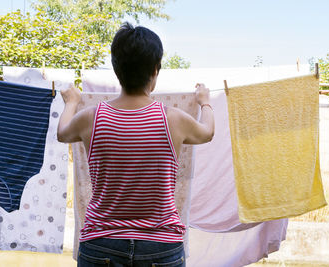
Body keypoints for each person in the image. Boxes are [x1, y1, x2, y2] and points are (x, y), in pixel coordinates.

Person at [57, 22, 214, 267]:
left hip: (101, 244)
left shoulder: (92, 117)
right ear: (155, 69)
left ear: (116, 68)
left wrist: (72, 102)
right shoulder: (173, 119)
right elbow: (207, 132)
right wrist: (205, 102)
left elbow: (62, 133)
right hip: (161, 246)